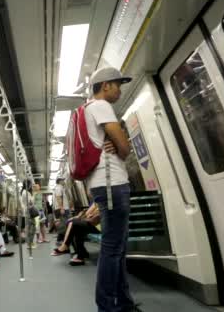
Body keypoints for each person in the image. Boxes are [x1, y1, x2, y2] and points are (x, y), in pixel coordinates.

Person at [86, 67, 134, 312]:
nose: (119, 90)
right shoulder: (101, 106)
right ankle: (107, 307)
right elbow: (124, 148)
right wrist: (122, 144)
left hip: (103, 185)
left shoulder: (87, 109)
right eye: (117, 84)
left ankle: (124, 303)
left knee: (117, 249)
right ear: (105, 86)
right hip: (112, 183)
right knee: (112, 249)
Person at [53, 178, 70, 244]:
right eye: (63, 180)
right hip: (62, 209)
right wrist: (62, 208)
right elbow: (58, 197)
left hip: (62, 208)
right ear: (60, 181)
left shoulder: (60, 188)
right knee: (63, 224)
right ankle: (60, 240)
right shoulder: (58, 188)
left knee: (63, 224)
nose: (64, 181)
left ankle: (61, 239)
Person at [20, 179, 36, 249]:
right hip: (29, 212)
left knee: (29, 227)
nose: (31, 186)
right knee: (31, 227)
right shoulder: (26, 192)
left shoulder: (23, 192)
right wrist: (34, 194)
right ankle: (29, 244)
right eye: (30, 184)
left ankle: (30, 243)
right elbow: (31, 202)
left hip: (27, 211)